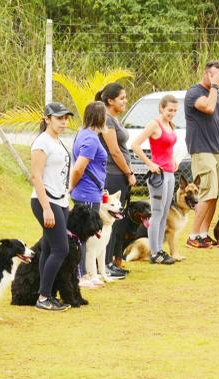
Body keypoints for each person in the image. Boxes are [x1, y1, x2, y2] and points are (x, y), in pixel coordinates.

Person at [184, 60, 219, 249]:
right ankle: (193, 235)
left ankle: (203, 234)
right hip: (201, 149)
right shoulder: (194, 93)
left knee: (216, 193)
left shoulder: (218, 95)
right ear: (207, 74)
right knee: (206, 192)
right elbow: (208, 108)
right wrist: (213, 86)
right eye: (216, 76)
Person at [30, 102, 74, 312]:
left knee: (49, 248)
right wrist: (46, 207)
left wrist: (66, 198)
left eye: (66, 118)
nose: (63, 122)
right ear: (47, 119)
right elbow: (36, 176)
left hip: (60, 200)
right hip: (46, 201)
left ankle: (46, 294)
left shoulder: (56, 142)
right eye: (59, 118)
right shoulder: (42, 142)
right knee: (61, 248)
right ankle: (44, 296)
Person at [131, 94, 179, 264]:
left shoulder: (170, 124)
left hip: (170, 173)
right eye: (169, 110)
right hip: (158, 175)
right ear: (161, 108)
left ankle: (159, 249)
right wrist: (149, 163)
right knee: (156, 213)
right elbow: (135, 145)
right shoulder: (154, 124)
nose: (172, 113)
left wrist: (173, 159)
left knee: (164, 213)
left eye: (174, 110)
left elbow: (168, 147)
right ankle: (155, 252)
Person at [69, 101, 108, 288]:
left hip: (87, 191)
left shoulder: (82, 134)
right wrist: (71, 186)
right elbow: (78, 168)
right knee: (83, 236)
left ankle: (84, 272)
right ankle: (81, 275)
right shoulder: (92, 139)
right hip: (87, 193)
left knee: (82, 236)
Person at [96, 83, 133, 277]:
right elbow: (115, 151)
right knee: (110, 219)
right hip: (113, 174)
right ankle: (106, 263)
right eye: (122, 98)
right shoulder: (107, 121)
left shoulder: (115, 119)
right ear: (110, 101)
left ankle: (111, 261)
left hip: (120, 174)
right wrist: (128, 173)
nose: (125, 101)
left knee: (117, 221)